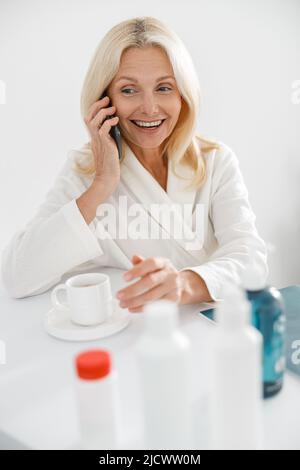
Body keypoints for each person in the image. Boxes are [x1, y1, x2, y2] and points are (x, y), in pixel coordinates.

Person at [1, 16, 268, 312]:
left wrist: (184, 284)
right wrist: (102, 184)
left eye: (164, 88)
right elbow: (17, 276)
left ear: (183, 95)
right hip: (132, 337)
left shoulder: (215, 160)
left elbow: (251, 257)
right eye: (129, 90)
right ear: (105, 100)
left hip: (209, 327)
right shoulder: (84, 170)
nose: (150, 108)